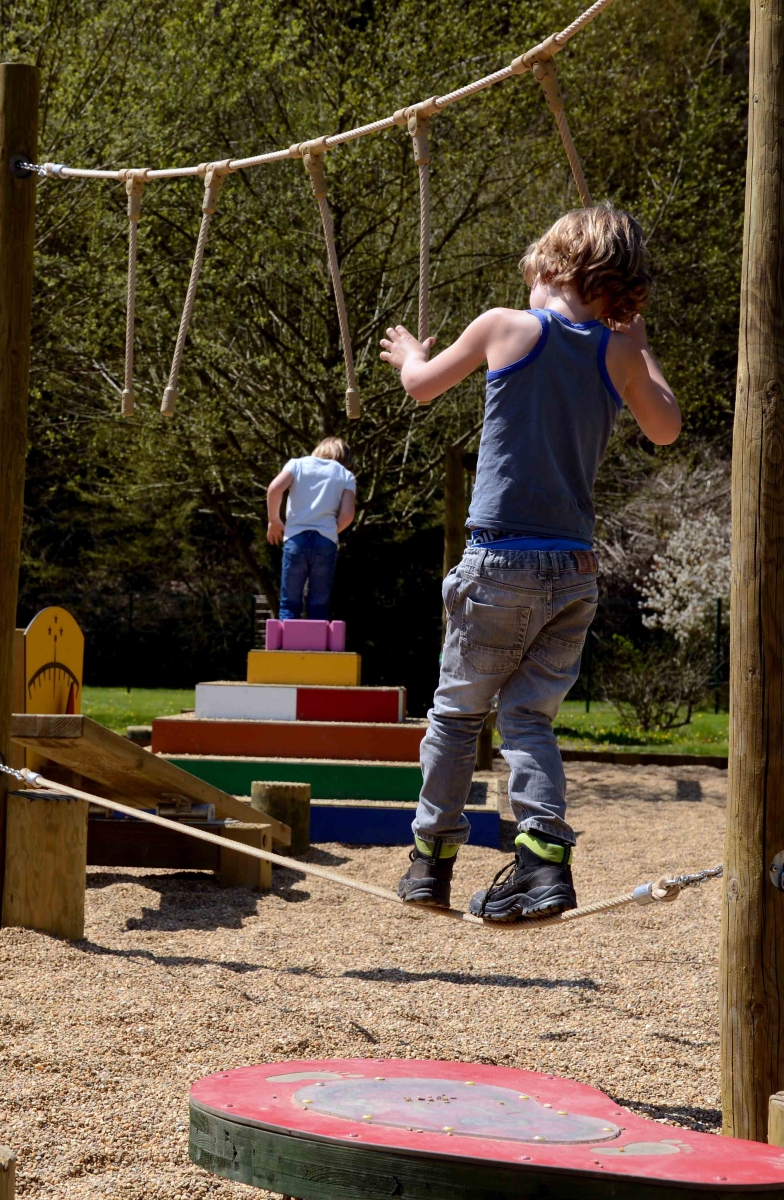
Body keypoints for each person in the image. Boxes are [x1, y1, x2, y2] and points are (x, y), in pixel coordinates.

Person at [378, 203, 681, 922]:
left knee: (457, 716)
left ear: (555, 269)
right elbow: (665, 427)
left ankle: (430, 862)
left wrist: (408, 355)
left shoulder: (504, 326)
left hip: (498, 563)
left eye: (532, 277)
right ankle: (543, 863)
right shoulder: (616, 354)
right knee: (528, 721)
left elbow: (422, 386)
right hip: (573, 571)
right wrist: (641, 349)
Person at [266, 437, 357, 621]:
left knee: (289, 602)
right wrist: (331, 531)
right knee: (319, 603)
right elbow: (348, 514)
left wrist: (274, 520)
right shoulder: (346, 475)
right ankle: (318, 637)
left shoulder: (297, 464)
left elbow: (274, 489)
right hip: (325, 541)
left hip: (295, 539)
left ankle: (287, 637)